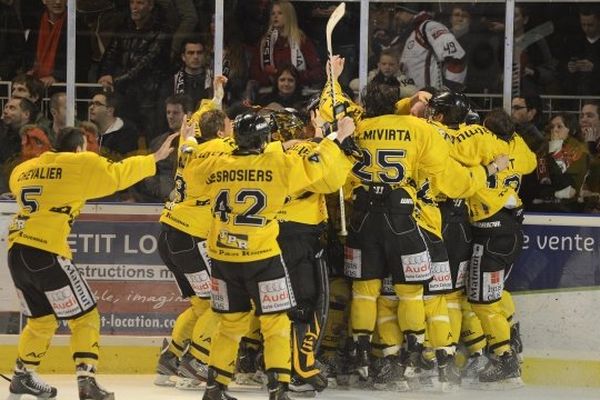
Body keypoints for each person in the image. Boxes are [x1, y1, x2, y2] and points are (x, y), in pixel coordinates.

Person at [182, 110, 356, 400]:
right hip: (262, 257)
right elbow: (318, 164)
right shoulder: (277, 163)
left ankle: (215, 388)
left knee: (229, 326)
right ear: (264, 138)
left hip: (223, 258)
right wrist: (337, 135)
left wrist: (188, 141)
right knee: (276, 324)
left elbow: (189, 167)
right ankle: (278, 389)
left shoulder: (215, 162)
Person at [5, 126, 177, 400]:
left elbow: (18, 185)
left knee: (42, 319)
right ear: (79, 148)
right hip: (46, 250)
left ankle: (23, 375)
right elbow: (117, 175)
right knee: (85, 316)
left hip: (17, 252)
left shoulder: (24, 169)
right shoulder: (79, 163)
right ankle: (87, 381)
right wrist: (153, 158)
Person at [466, 108, 537, 388]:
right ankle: (511, 333)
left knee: (483, 300)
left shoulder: (483, 143)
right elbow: (530, 162)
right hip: (511, 229)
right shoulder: (517, 145)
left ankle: (504, 358)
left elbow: (460, 164)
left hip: (490, 233)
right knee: (495, 293)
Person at [98, 0, 171, 141]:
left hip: (150, 94)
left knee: (152, 139)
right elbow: (111, 53)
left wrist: (116, 80)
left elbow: (146, 63)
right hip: (125, 92)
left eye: (140, 3)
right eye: (132, 3)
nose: (134, 7)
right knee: (124, 137)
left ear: (150, 6)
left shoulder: (161, 30)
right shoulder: (124, 27)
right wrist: (105, 74)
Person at [249, 0, 323, 90]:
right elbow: (254, 72)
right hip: (269, 93)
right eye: (273, 14)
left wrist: (294, 75)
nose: (275, 16)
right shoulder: (264, 42)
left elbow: (317, 72)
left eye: (280, 13)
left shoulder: (301, 40)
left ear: (289, 16)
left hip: (298, 92)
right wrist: (271, 76)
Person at [397, 5, 467, 90]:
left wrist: (450, 91)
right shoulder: (409, 34)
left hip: (430, 99)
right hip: (413, 98)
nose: (397, 15)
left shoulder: (429, 26)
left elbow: (457, 59)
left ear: (411, 10)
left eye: (400, 11)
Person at [531, 113, 589, 212]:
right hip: (543, 206)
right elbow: (537, 184)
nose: (555, 130)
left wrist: (555, 150)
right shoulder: (543, 150)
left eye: (559, 126)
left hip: (569, 208)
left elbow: (566, 183)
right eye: (552, 127)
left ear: (572, 130)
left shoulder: (580, 152)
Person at [24, 0, 91, 86]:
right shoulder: (36, 21)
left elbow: (83, 59)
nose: (58, 2)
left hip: (65, 85)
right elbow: (29, 52)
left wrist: (57, 77)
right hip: (36, 82)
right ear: (44, 1)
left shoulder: (77, 23)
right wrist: (30, 70)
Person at [88, 91, 139, 159]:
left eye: (97, 104)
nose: (91, 107)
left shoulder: (127, 132)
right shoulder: (88, 131)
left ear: (110, 111)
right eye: (91, 103)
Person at [169, 36, 212, 110]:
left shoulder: (214, 80)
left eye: (199, 53)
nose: (195, 57)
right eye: (191, 53)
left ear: (204, 55)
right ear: (183, 57)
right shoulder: (172, 82)